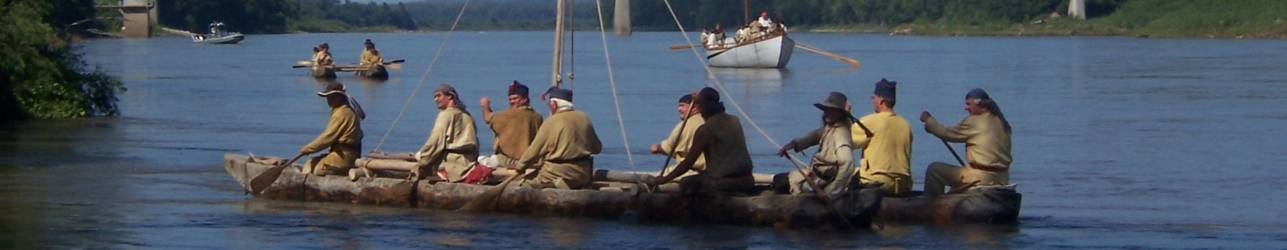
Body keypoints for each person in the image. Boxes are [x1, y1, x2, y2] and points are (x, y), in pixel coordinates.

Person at [650, 87, 755, 197]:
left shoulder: (705, 131)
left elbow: (687, 163)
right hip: (747, 179)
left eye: (699, 106)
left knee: (686, 183)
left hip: (724, 182)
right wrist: (698, 98)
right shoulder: (735, 120)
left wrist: (664, 179)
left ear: (704, 107)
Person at [920, 88, 1013, 195]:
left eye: (969, 104)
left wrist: (929, 120)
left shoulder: (974, 122)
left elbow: (945, 133)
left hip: (980, 177)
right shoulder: (1003, 123)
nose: (965, 108)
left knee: (934, 170)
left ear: (980, 104)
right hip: (1002, 178)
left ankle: (932, 206)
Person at [513, 87, 603, 189]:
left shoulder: (551, 122)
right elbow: (597, 149)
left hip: (556, 174)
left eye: (549, 105)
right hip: (583, 174)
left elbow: (534, 151)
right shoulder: (585, 118)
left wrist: (520, 167)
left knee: (523, 185)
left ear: (554, 105)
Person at [776, 92, 855, 199]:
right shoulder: (831, 127)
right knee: (779, 179)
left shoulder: (841, 134)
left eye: (832, 110)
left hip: (824, 182)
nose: (828, 112)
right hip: (816, 175)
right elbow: (815, 135)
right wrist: (793, 144)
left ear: (840, 113)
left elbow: (848, 163)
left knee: (781, 182)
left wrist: (831, 192)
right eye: (826, 109)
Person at [849, 79, 914, 196]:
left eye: (873, 98)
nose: (872, 101)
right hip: (904, 184)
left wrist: (844, 117)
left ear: (881, 100)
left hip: (880, 182)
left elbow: (847, 143)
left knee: (843, 172)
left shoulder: (870, 121)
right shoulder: (905, 124)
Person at [412, 84, 481, 182]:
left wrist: (422, 158)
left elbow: (435, 142)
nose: (436, 99)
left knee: (419, 161)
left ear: (450, 96)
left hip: (452, 164)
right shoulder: (468, 116)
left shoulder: (445, 115)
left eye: (439, 95)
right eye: (435, 97)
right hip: (470, 161)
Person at [299, 82, 365, 176]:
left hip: (343, 158)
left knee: (311, 165)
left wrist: (308, 149)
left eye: (333, 97)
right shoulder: (347, 110)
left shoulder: (341, 113)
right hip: (350, 156)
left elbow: (328, 137)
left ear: (340, 97)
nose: (329, 100)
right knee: (312, 160)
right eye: (328, 98)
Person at [479, 81, 544, 170]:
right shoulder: (537, 115)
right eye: (510, 99)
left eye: (515, 98)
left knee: (480, 160)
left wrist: (485, 105)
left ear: (524, 99)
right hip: (531, 160)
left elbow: (488, 119)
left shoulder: (511, 114)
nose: (512, 102)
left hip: (510, 161)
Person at [649, 93, 705, 181]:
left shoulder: (684, 126)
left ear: (694, 108)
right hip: (710, 171)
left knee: (654, 178)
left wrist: (656, 148)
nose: (679, 109)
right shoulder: (708, 120)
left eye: (682, 106)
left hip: (690, 171)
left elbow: (669, 148)